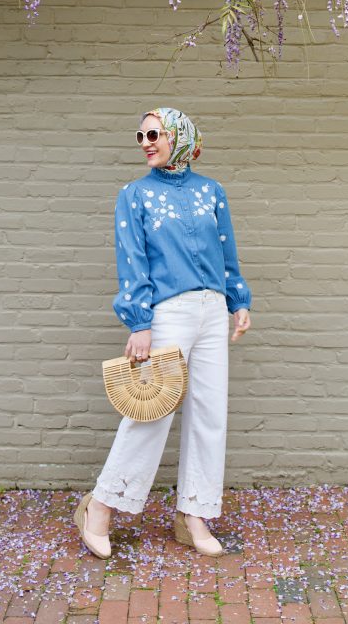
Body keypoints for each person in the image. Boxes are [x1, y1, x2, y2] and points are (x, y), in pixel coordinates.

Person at [73, 107, 252, 559]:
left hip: (212, 310)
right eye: (140, 135)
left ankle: (194, 515)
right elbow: (131, 261)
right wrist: (140, 323)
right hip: (167, 313)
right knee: (151, 412)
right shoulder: (134, 196)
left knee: (210, 414)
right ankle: (101, 506)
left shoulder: (212, 192)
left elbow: (227, 252)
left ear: (180, 137)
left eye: (154, 133)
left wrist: (239, 300)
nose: (145, 142)